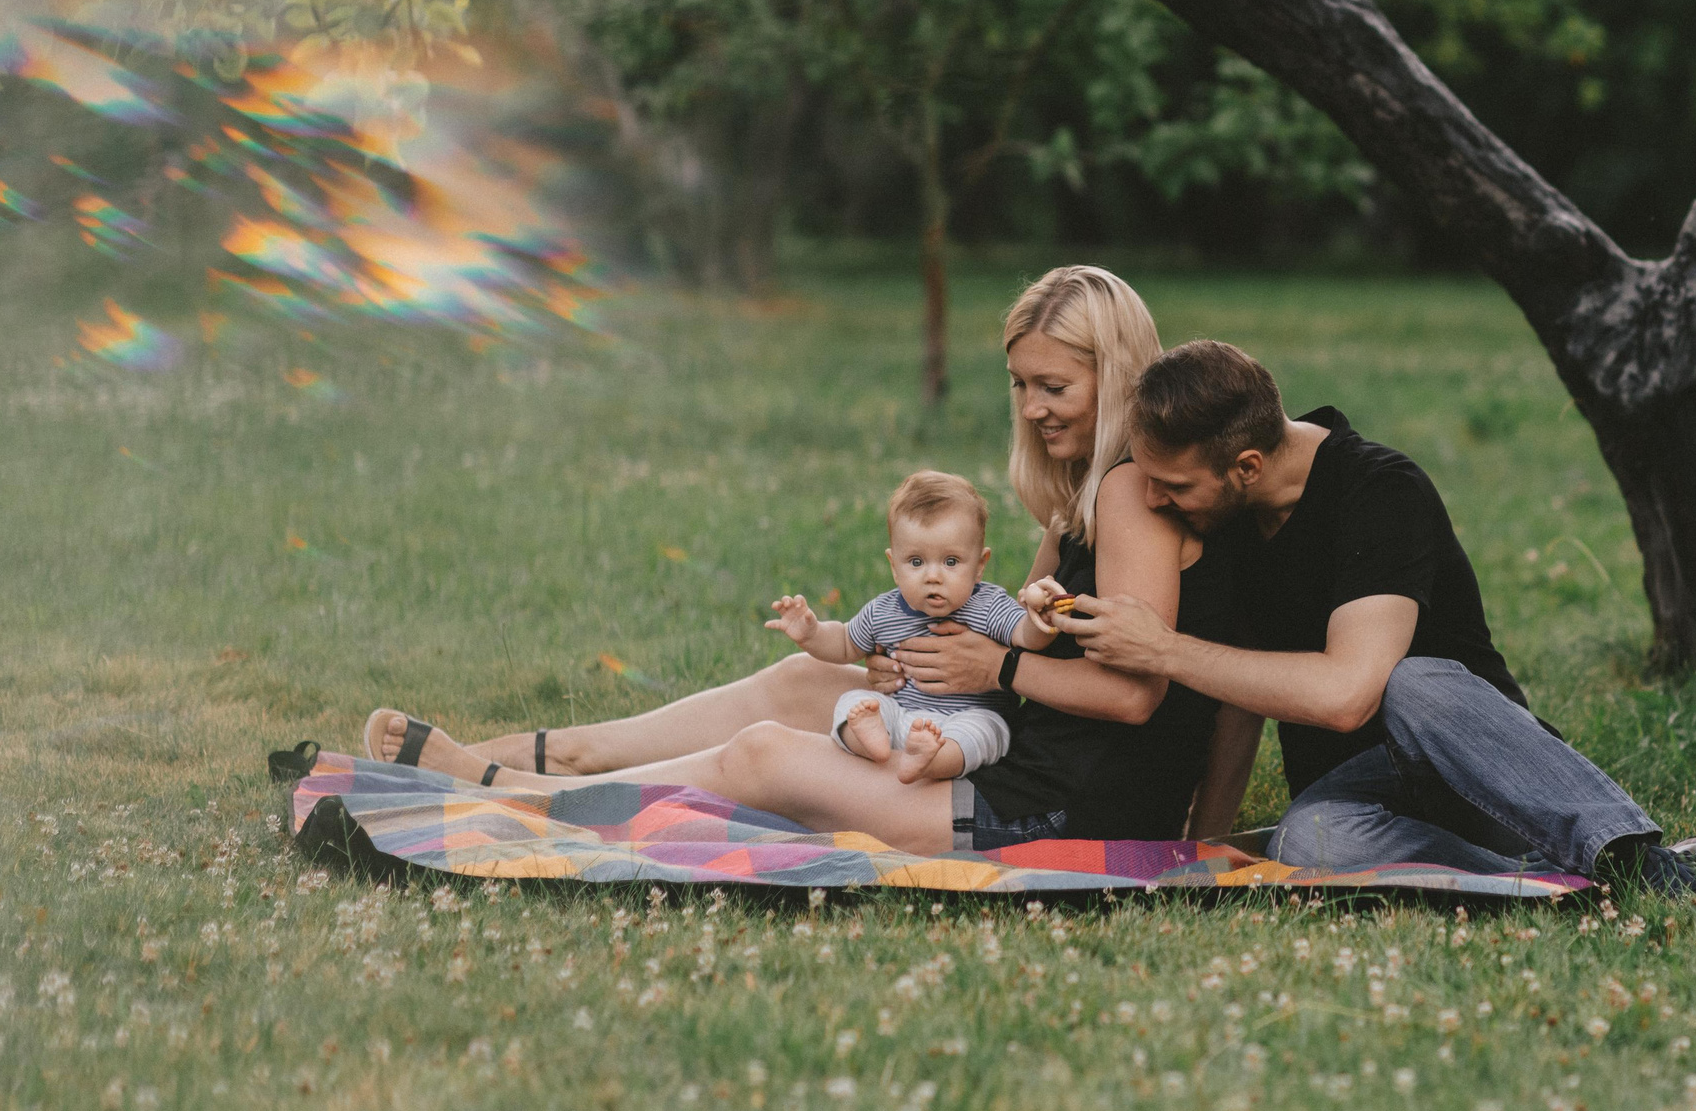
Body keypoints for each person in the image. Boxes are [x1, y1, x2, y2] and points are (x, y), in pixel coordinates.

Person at [360, 267, 1239, 853]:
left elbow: (1136, 692)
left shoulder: (1131, 493)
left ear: (1116, 375)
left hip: (1063, 809)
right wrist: (936, 654)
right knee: (797, 682)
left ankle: (523, 800)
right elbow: (1019, 632)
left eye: (1056, 387)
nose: (1034, 407)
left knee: (765, 757)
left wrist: (994, 666)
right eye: (1021, 384)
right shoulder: (1084, 490)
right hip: (1011, 748)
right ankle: (560, 755)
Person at [1055, 339, 1696, 896]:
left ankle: (1638, 859)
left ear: (1247, 464)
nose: (1154, 497)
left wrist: (1166, 650)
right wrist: (1200, 851)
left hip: (1478, 767)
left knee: (1408, 681)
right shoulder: (1232, 516)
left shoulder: (1381, 491)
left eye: (1172, 484)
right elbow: (1240, 696)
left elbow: (1347, 695)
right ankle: (1562, 880)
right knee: (1306, 842)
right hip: (1364, 798)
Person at [766, 470, 1064, 785]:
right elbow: (843, 644)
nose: (932, 576)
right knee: (852, 703)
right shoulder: (884, 610)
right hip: (902, 714)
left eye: (951, 562)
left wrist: (1040, 619)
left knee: (986, 732)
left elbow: (1023, 637)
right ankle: (873, 741)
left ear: (979, 566)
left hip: (967, 718)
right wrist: (811, 634)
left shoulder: (988, 606)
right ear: (895, 567)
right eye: (916, 562)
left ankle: (933, 760)